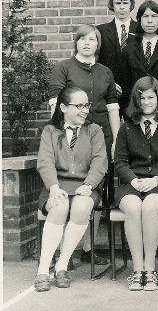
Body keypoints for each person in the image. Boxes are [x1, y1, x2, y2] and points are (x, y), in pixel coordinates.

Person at [49, 24, 120, 266]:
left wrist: (116, 141)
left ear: (98, 45)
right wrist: (59, 137)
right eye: (82, 39)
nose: (87, 43)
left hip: (99, 137)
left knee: (93, 190)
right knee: (67, 190)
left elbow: (113, 108)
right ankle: (62, 252)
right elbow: (56, 107)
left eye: (92, 39)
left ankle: (89, 247)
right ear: (76, 42)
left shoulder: (105, 72)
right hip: (69, 137)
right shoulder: (63, 68)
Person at [35, 86, 108, 292]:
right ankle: (42, 269)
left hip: (85, 186)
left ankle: (61, 266)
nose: (85, 110)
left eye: (87, 105)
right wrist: (53, 187)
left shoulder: (94, 131)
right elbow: (45, 161)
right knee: (58, 206)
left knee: (82, 206)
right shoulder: (50, 131)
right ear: (64, 107)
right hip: (56, 185)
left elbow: (100, 162)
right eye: (79, 106)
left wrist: (89, 184)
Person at [113, 76, 158, 291]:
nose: (146, 102)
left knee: (150, 206)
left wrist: (156, 179)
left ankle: (150, 271)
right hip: (131, 184)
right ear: (135, 100)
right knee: (133, 207)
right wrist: (134, 179)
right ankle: (137, 270)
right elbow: (120, 162)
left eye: (151, 97)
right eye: (141, 98)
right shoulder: (126, 128)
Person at [97, 0, 138, 111]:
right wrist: (109, 85)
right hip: (108, 93)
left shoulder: (140, 31)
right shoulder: (101, 31)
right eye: (117, 3)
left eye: (125, 3)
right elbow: (96, 63)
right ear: (112, 5)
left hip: (134, 93)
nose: (121, 7)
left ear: (131, 5)